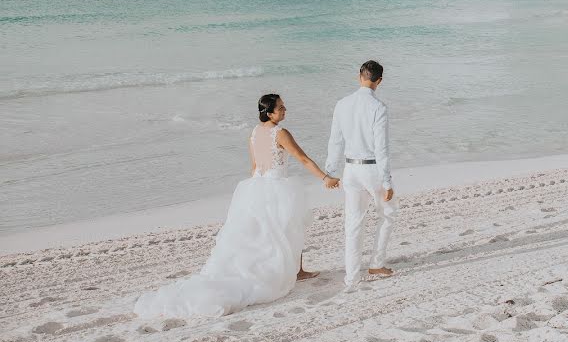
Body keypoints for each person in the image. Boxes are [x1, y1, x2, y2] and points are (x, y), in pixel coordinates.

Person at [134, 94, 339, 318]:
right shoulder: (280, 133)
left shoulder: (253, 133)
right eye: (280, 108)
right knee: (291, 225)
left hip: (256, 186)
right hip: (277, 186)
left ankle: (298, 270)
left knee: (267, 232)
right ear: (269, 113)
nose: (284, 110)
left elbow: (254, 165)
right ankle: (296, 271)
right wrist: (325, 178)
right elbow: (303, 158)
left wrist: (255, 191)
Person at [325, 60, 397, 290]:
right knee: (387, 214)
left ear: (359, 76)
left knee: (353, 223)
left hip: (350, 170)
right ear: (380, 81)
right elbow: (381, 147)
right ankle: (376, 263)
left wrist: (330, 171)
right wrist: (387, 181)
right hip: (372, 169)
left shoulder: (342, 104)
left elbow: (335, 140)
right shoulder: (378, 107)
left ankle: (351, 277)